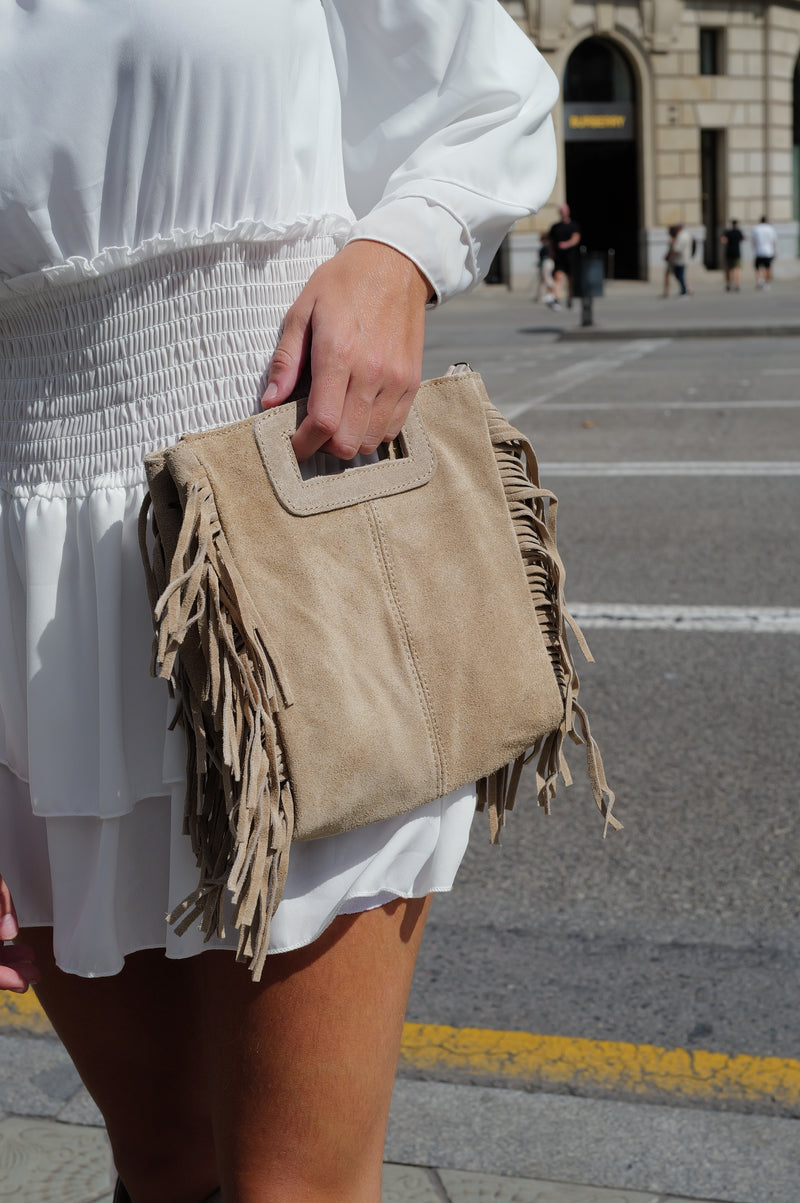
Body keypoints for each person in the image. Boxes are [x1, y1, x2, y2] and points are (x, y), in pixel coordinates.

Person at [0, 3, 558, 1201]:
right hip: (31, 600)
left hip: (295, 529)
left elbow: (487, 89)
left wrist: (399, 250)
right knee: (160, 1170)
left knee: (288, 1186)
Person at [547, 203, 581, 308]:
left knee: (570, 279)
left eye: (564, 210)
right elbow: (550, 241)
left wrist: (567, 244)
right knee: (558, 277)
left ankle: (570, 299)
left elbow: (576, 238)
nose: (563, 212)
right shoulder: (555, 227)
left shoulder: (573, 226)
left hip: (570, 256)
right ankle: (556, 298)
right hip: (559, 256)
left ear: (568, 211)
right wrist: (551, 253)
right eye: (561, 210)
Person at [664, 223, 694, 297]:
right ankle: (686, 289)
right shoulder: (686, 234)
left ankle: (684, 290)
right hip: (681, 258)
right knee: (679, 275)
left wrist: (669, 256)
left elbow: (676, 249)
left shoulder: (681, 236)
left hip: (679, 259)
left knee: (680, 275)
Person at [752, 214, 777, 289]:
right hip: (768, 251)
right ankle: (766, 282)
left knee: (757, 267)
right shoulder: (770, 228)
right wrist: (774, 250)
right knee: (767, 268)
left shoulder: (756, 228)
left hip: (759, 251)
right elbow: (773, 241)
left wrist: (755, 248)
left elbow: (754, 241)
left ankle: (760, 280)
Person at [720, 219, 744, 291]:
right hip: (737, 252)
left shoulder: (727, 232)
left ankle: (728, 284)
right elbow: (743, 239)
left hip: (729, 252)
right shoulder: (739, 232)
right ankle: (737, 284)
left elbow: (723, 240)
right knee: (737, 269)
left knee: (729, 269)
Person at [535, 235, 557, 306]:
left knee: (547, 278)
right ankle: (540, 295)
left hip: (546, 262)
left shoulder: (547, 246)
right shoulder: (546, 246)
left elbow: (546, 256)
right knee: (542, 280)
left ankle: (554, 292)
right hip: (545, 263)